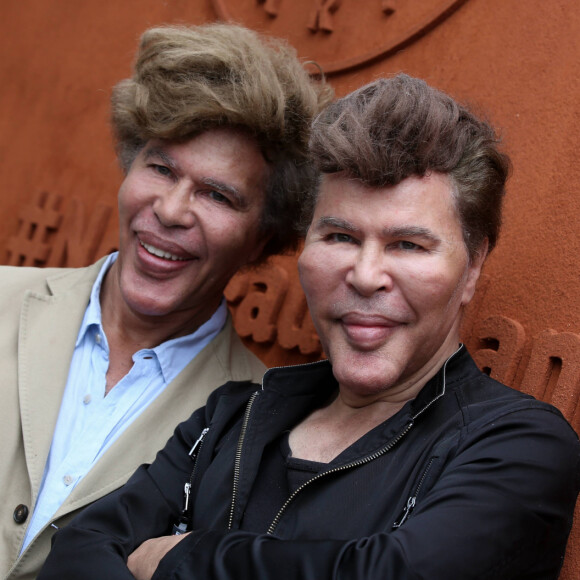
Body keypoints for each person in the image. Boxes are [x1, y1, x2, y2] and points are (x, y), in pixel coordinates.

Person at [39, 74, 580, 580]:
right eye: (340, 237)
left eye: (408, 245)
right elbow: (79, 548)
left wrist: (185, 554)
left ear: (473, 265)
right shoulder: (230, 417)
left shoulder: (518, 444)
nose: (366, 276)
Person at [1, 23, 331, 580]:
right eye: (160, 167)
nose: (172, 210)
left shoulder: (252, 426)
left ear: (263, 236)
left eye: (217, 194)